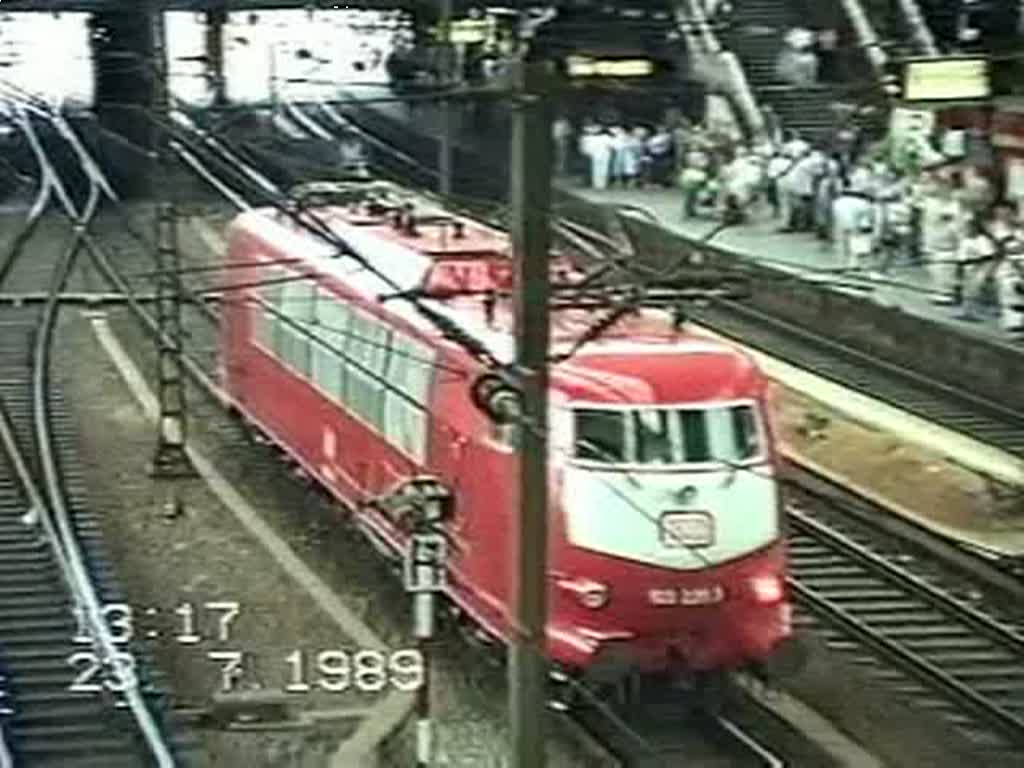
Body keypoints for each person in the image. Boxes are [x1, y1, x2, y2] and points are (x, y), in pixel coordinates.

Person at [832, 181, 876, 270]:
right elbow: (869, 216)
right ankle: (856, 263)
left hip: (841, 217)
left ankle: (841, 264)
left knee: (842, 241)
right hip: (856, 220)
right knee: (856, 242)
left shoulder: (838, 201)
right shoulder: (863, 202)